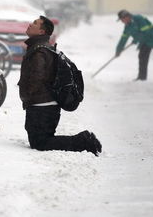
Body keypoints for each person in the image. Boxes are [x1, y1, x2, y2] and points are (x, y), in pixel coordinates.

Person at [18, 15, 102, 156]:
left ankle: (84, 141)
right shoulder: (42, 48)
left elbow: (36, 79)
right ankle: (84, 140)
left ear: (41, 32)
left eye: (35, 23)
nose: (30, 24)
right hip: (42, 105)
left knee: (41, 143)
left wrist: (28, 96)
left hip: (42, 106)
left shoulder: (39, 52)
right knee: (38, 141)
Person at [115, 9, 153, 81]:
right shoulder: (127, 27)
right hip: (145, 41)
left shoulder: (138, 19)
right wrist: (118, 50)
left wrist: (137, 40)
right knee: (142, 56)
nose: (122, 22)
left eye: (122, 20)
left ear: (127, 17)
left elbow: (146, 32)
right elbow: (123, 39)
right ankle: (142, 77)